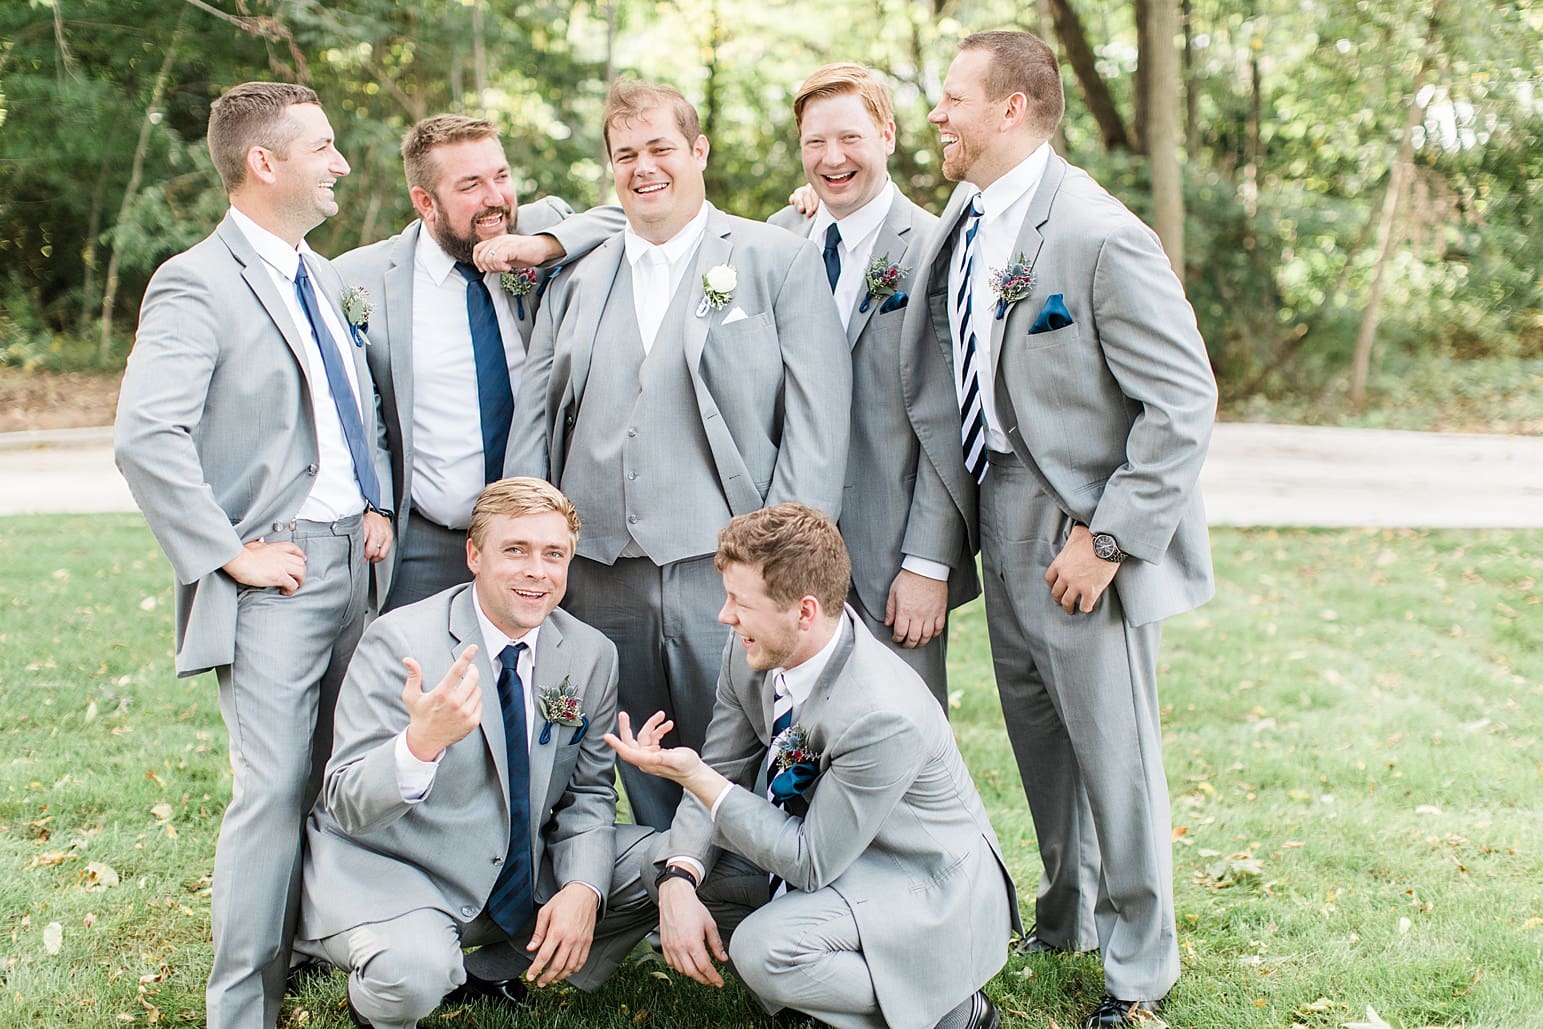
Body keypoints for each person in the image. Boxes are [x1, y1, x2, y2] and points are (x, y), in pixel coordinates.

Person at [901, 30, 1219, 1027]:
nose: (936, 114)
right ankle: (1070, 912)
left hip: (1081, 528)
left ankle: (1139, 976)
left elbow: (1182, 401)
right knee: (1039, 734)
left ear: (1009, 108)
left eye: (952, 98)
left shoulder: (1096, 232)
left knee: (1113, 754)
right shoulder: (967, 212)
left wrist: (1109, 538)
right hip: (998, 508)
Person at [113, 82, 393, 1028]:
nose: (341, 163)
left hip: (357, 564)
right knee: (272, 791)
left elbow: (354, 403)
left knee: (340, 776)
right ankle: (241, 1007)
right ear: (263, 163)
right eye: (322, 147)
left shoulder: (323, 274)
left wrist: (377, 502)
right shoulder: (195, 280)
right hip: (276, 574)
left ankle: (320, 946)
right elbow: (147, 436)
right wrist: (228, 553)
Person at [508, 79, 851, 829]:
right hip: (599, 569)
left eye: (660, 147)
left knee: (745, 739)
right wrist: (527, 544)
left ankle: (742, 889)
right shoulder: (575, 276)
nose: (644, 167)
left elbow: (818, 424)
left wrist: (783, 564)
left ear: (697, 151)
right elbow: (535, 416)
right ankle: (667, 879)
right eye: (625, 154)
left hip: (720, 563)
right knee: (633, 745)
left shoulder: (773, 260)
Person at [607, 503, 1017, 1029]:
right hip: (828, 853)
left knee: (762, 950)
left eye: (740, 602)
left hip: (917, 880)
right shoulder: (750, 647)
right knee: (665, 863)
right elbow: (724, 765)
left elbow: (808, 861)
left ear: (803, 612)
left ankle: (953, 1012)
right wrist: (679, 878)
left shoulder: (881, 713)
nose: (725, 617)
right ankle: (812, 1001)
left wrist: (696, 778)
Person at [297, 478, 654, 1028]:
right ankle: (393, 980)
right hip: (400, 869)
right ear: (474, 555)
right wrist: (420, 746)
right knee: (413, 974)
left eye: (553, 554)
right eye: (516, 550)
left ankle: (497, 969)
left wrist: (584, 888)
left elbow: (588, 793)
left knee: (670, 861)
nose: (537, 570)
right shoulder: (400, 642)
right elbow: (343, 801)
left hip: (516, 868)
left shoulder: (590, 654)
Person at [335, 115, 624, 611]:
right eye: (471, 185)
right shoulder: (361, 278)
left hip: (539, 541)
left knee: (536, 681)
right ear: (425, 202)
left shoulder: (541, 225)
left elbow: (628, 219)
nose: (495, 198)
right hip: (427, 544)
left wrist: (541, 246)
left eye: (502, 176)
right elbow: (356, 413)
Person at [767, 62, 973, 703]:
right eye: (815, 143)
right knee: (793, 743)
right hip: (789, 557)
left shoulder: (937, 247)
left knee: (901, 744)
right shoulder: (780, 237)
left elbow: (948, 421)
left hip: (892, 563)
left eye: (850, 137)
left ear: (886, 133)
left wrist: (927, 564)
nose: (832, 159)